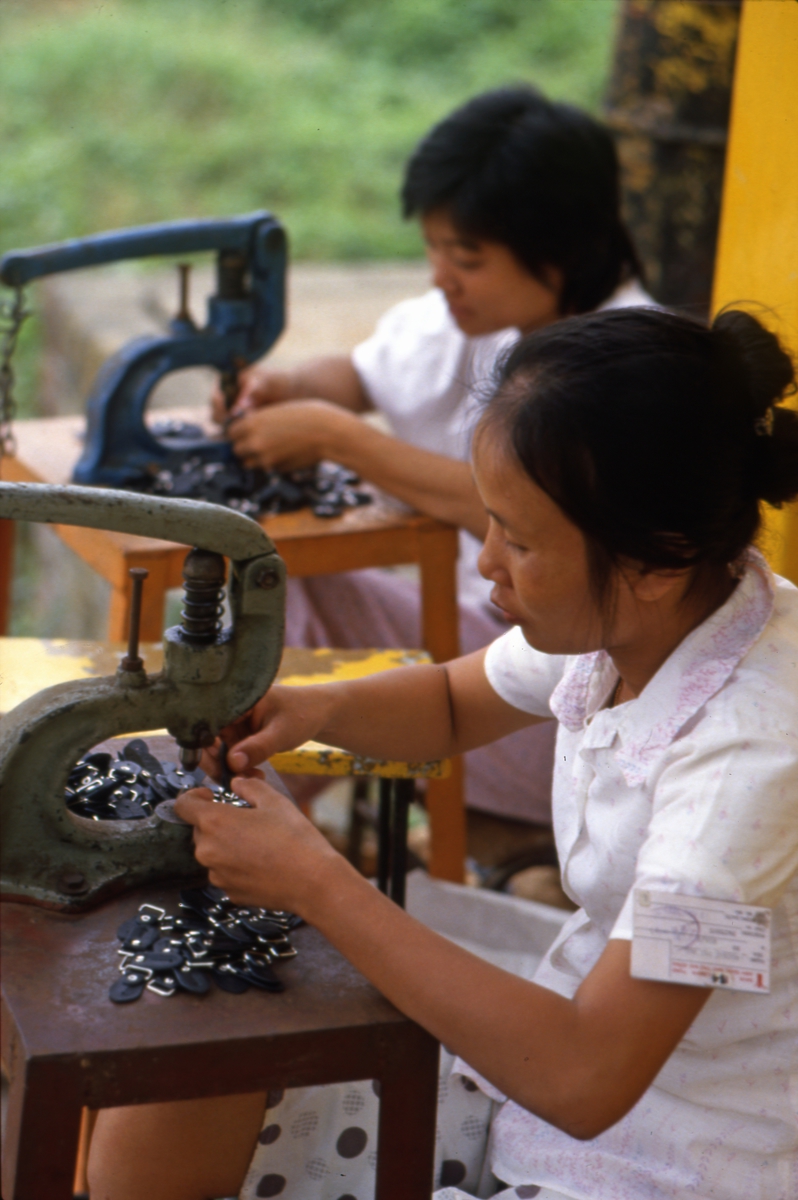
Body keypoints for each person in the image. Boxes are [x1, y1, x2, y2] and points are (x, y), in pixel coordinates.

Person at [89, 306, 798, 1200]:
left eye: (521, 540)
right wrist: (314, 709)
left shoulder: (748, 770)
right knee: (170, 1107)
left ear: (657, 560)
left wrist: (316, 882)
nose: (489, 562)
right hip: (534, 1103)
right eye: (490, 523)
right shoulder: (646, 617)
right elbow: (455, 703)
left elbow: (589, 1077)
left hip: (666, 1162)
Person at [212, 85, 656, 825]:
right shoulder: (475, 315)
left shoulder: (630, 372)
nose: (441, 276)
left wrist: (339, 438)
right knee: (276, 580)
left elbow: (529, 513)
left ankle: (257, 812)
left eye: (468, 257)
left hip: (567, 704)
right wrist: (285, 385)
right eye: (434, 250)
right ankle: (254, 798)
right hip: (497, 664)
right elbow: (362, 372)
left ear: (561, 252)